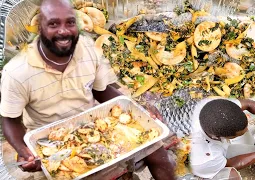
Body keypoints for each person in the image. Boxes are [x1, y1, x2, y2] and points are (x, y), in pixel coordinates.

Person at [0, 0, 175, 179]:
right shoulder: (17, 72)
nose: (64, 30)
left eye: (70, 22)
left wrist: (138, 109)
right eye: (53, 24)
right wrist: (24, 150)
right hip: (50, 141)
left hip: (97, 125)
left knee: (161, 157)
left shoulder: (88, 49)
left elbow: (101, 90)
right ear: (40, 28)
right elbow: (10, 120)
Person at [190, 98, 255, 180]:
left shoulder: (215, 107)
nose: (247, 131)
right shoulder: (206, 157)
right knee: (232, 176)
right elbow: (229, 164)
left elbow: (249, 103)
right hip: (203, 167)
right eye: (237, 135)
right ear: (220, 137)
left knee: (253, 149)